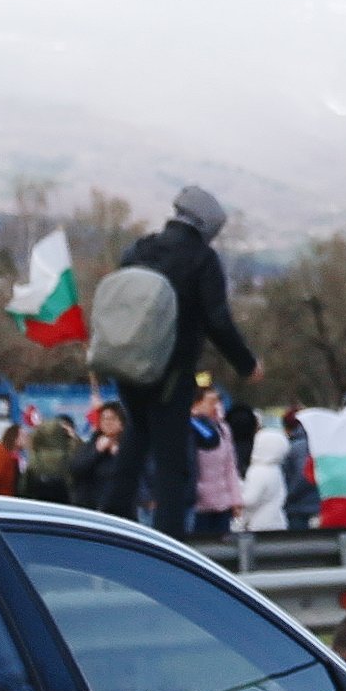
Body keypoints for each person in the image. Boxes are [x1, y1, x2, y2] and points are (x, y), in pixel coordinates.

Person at [105, 187, 257, 541]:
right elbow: (218, 321)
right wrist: (246, 364)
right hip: (171, 372)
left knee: (135, 443)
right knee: (173, 466)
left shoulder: (140, 249)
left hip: (129, 365)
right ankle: (170, 541)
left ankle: (111, 523)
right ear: (208, 226)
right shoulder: (201, 259)